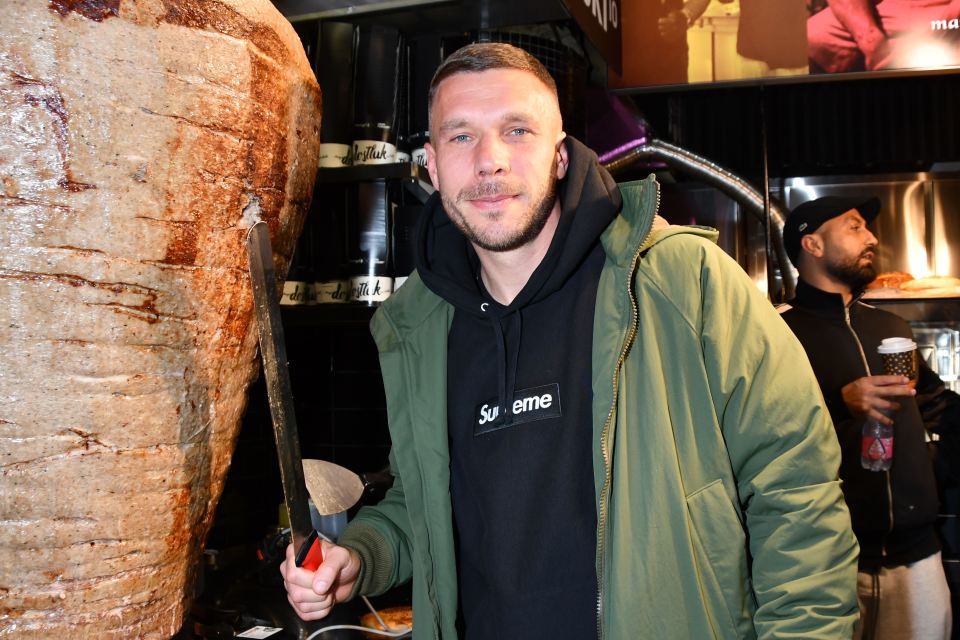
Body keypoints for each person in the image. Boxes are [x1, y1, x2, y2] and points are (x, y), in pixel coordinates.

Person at [281, 42, 859, 638]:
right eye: (460, 137)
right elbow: (422, 501)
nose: (489, 161)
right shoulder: (418, 328)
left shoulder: (682, 282)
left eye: (517, 130)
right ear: (430, 164)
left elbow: (797, 494)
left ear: (560, 156)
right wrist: (362, 555)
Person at [779, 196, 956, 639]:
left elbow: (935, 404)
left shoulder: (893, 327)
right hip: (829, 560)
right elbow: (762, 435)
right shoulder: (777, 332)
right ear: (813, 244)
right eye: (855, 226)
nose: (872, 237)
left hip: (917, 557)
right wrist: (840, 403)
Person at [807, 0, 960, 74]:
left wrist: (946, 24)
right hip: (888, 10)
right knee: (815, 36)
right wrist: (871, 39)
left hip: (947, 12)